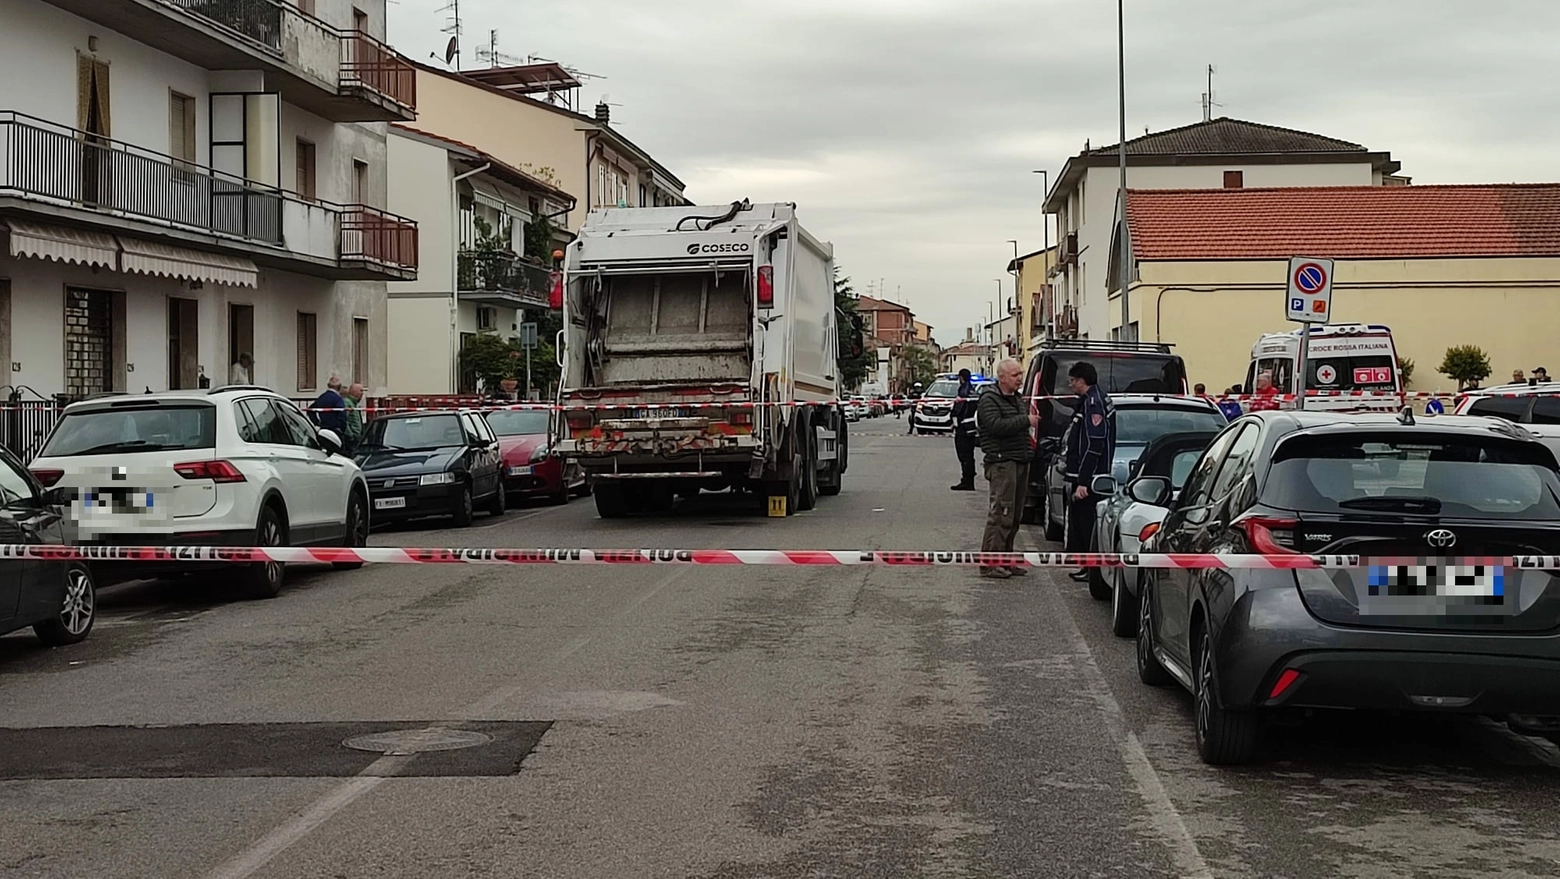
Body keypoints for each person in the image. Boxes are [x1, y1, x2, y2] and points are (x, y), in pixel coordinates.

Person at [976, 359, 1037, 579]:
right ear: (1001, 377)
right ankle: (990, 563)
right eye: (1014, 375)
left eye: (1020, 374)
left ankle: (1005, 559)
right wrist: (1025, 420)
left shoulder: (1016, 399)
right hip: (1002, 462)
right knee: (1001, 513)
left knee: (1014, 515)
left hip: (1019, 460)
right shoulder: (989, 399)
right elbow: (996, 426)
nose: (1019, 378)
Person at [1062, 361, 1115, 583]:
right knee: (1080, 524)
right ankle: (1086, 566)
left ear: (1081, 381)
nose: (1070, 384)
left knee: (1087, 524)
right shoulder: (1088, 401)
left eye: (1072, 381)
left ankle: (1091, 569)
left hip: (1089, 479)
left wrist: (1084, 481)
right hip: (1081, 474)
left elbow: (1095, 444)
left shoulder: (1094, 404)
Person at [950, 368, 978, 491]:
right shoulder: (973, 390)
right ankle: (969, 480)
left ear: (961, 377)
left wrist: (953, 419)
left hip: (963, 427)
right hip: (972, 427)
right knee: (969, 455)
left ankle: (967, 481)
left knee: (964, 455)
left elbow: (959, 407)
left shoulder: (964, 390)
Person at [342, 382, 366, 453]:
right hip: (351, 440)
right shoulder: (347, 403)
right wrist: (351, 436)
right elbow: (344, 420)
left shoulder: (354, 404)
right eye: (361, 390)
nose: (362, 393)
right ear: (354, 391)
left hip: (356, 438)